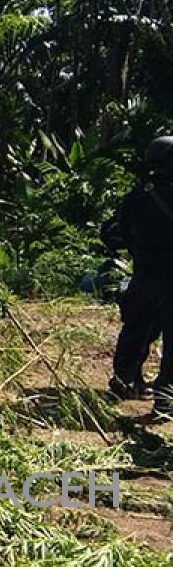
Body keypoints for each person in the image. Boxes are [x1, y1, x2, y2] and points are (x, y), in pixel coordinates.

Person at [102, 135, 173, 417]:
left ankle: (124, 381)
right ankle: (165, 400)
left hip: (144, 274)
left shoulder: (137, 195)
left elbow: (115, 232)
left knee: (135, 328)